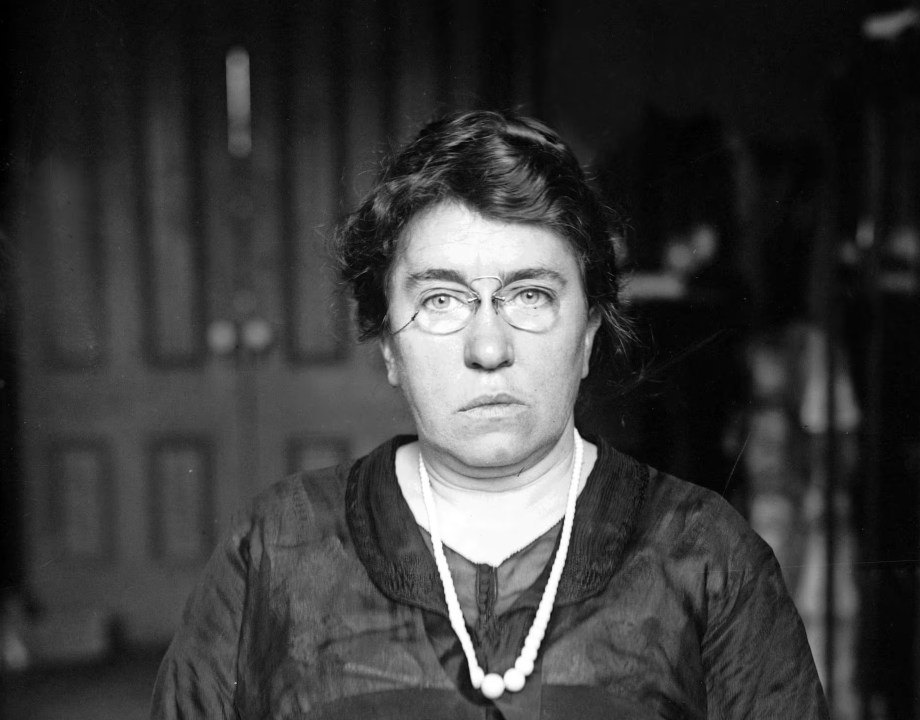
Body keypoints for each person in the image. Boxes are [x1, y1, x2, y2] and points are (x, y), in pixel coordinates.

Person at [151, 110, 828, 719]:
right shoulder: (278, 550)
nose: (488, 347)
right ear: (388, 345)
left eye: (530, 295)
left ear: (588, 334)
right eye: (440, 301)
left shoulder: (706, 559)